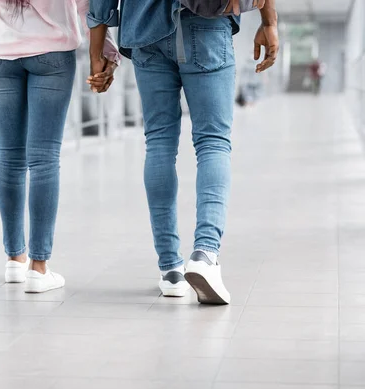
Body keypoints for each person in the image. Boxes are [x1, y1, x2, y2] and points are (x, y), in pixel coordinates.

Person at [87, 0, 278, 304]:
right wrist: (269, 22)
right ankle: (204, 254)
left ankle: (170, 270)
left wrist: (96, 51)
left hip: (145, 29)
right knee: (213, 142)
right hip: (207, 24)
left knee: (159, 142)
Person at [0, 0, 120, 293]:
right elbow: (86, 7)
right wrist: (108, 52)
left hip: (1, 56)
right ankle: (38, 268)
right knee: (44, 159)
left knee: (10, 158)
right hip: (52, 54)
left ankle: (14, 259)